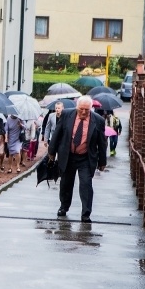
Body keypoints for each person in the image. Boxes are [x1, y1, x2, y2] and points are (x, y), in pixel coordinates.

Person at [48, 95, 107, 224]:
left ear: (91, 109)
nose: (84, 112)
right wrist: (51, 152)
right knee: (66, 184)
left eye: (87, 109)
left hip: (85, 158)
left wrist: (102, 161)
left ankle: (86, 214)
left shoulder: (98, 121)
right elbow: (57, 133)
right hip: (68, 156)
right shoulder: (66, 115)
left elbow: (102, 143)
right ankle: (64, 207)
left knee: (86, 185)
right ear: (77, 107)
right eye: (81, 109)